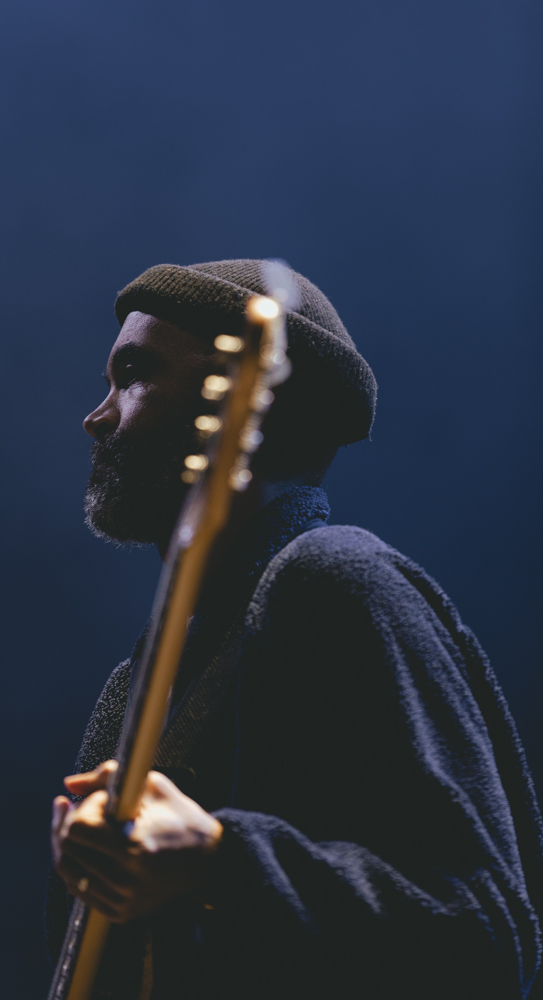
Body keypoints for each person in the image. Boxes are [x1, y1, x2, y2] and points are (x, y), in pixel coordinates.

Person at [45, 259, 543, 999]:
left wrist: (216, 861)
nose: (98, 414)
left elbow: (483, 933)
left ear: (247, 408)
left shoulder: (330, 579)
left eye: (135, 374)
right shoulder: (143, 682)